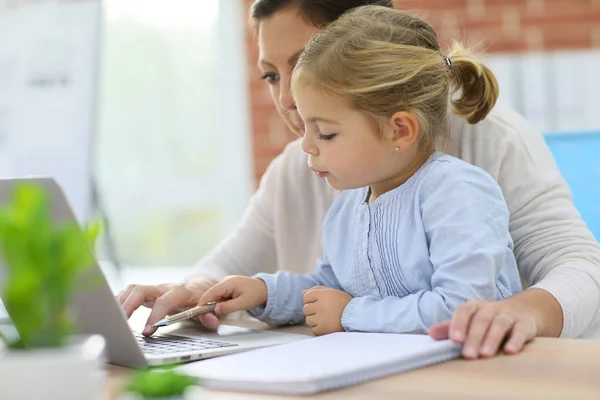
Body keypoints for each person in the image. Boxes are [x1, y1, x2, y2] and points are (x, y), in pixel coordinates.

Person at [118, 0, 600, 359]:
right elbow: (272, 273)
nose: (287, 98)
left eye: (305, 62)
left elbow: (578, 265)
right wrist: (206, 290)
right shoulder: (328, 176)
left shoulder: (480, 153)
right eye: (270, 75)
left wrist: (526, 310)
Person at [195, 5, 524, 337]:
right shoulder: (349, 203)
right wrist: (266, 293)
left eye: (325, 133)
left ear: (399, 130)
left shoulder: (456, 193)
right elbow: (328, 288)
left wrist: (350, 313)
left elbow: (460, 307)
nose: (306, 145)